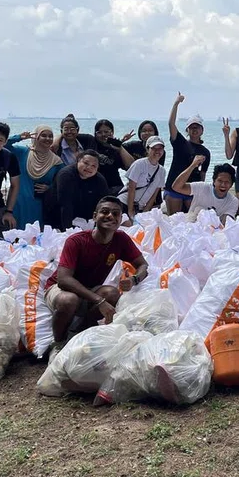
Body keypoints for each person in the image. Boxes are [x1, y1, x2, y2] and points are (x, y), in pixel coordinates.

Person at [44, 196, 149, 343]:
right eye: (104, 212)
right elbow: (63, 280)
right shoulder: (76, 241)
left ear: (120, 220)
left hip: (90, 289)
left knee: (112, 294)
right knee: (69, 300)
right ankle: (59, 343)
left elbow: (143, 265)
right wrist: (99, 301)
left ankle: (78, 334)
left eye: (115, 213)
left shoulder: (121, 239)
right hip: (62, 289)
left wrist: (134, 279)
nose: (110, 216)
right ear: (95, 216)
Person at [5, 127, 64, 229]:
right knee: (14, 238)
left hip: (39, 206)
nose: (48, 138)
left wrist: (49, 188)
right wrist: (19, 137)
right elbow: (4, 144)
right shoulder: (22, 152)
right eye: (43, 135)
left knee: (35, 239)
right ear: (36, 137)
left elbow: (62, 183)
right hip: (18, 202)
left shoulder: (56, 161)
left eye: (50, 136)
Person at [164, 93, 210, 215]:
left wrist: (201, 194)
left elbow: (203, 175)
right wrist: (176, 103)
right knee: (174, 221)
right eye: (191, 127)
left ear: (202, 130)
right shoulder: (180, 142)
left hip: (191, 190)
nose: (194, 129)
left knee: (192, 223)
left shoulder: (205, 152)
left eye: (197, 127)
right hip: (173, 187)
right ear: (187, 130)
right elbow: (171, 124)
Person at [171, 156, 239, 224]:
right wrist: (192, 166)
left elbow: (226, 221)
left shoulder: (233, 201)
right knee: (199, 209)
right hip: (192, 225)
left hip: (214, 230)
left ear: (231, 184)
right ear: (214, 181)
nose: (223, 185)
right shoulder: (202, 188)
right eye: (220, 181)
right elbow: (176, 187)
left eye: (227, 182)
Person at [53, 150, 108, 229]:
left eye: (94, 166)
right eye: (86, 163)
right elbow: (65, 205)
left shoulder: (100, 180)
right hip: (59, 216)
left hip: (84, 218)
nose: (89, 168)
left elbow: (104, 203)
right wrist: (68, 231)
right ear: (78, 160)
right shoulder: (66, 175)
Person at [123, 135, 167, 224]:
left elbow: (154, 194)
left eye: (160, 148)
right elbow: (131, 188)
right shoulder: (139, 164)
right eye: (154, 148)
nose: (157, 151)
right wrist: (130, 211)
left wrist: (145, 212)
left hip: (139, 207)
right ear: (147, 149)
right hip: (125, 203)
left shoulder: (162, 171)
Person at [89, 119, 134, 193]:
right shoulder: (91, 144)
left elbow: (131, 167)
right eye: (99, 132)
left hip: (115, 188)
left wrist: (120, 147)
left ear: (112, 132)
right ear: (95, 134)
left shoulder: (117, 148)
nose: (103, 134)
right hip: (94, 188)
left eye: (106, 132)